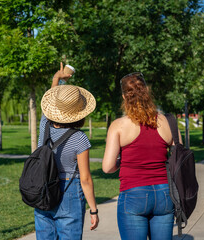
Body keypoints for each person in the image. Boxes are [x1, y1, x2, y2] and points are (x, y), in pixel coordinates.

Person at [102, 72, 182, 240]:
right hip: (164, 193)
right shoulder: (168, 122)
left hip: (133, 193)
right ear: (147, 92)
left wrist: (121, 161)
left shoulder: (118, 126)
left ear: (124, 97)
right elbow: (179, 158)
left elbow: (108, 167)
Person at [34, 63, 99, 239]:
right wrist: (93, 209)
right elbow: (85, 179)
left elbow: (49, 106)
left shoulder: (44, 125)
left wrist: (57, 79)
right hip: (68, 191)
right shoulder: (79, 138)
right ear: (79, 113)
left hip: (43, 188)